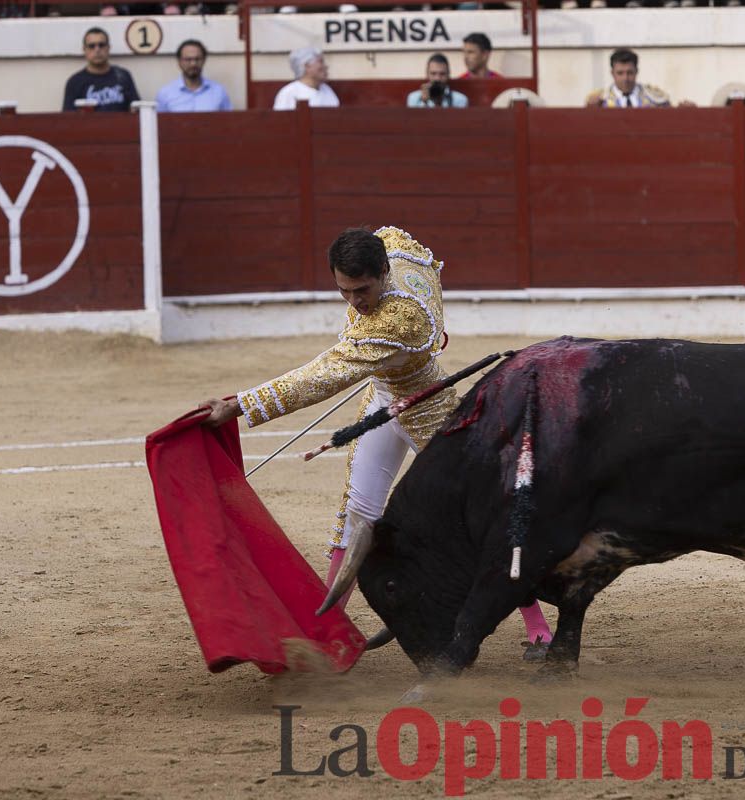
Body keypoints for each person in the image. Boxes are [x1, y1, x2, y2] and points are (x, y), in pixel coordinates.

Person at [196, 226, 554, 660]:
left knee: (479, 518)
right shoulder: (397, 250)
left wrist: (240, 405)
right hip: (383, 402)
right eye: (344, 291)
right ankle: (327, 632)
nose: (354, 302)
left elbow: (324, 373)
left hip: (430, 409)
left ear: (383, 272)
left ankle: (538, 628)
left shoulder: (397, 321)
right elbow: (397, 238)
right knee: (357, 513)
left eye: (362, 290)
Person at [62, 27, 141, 112]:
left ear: (108, 48)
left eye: (101, 45)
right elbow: (67, 119)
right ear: (84, 50)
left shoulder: (123, 76)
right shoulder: (75, 82)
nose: (97, 50)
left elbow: (137, 110)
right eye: (92, 46)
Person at [585, 49, 689, 108]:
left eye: (629, 73)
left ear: (637, 72)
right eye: (620, 73)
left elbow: (671, 119)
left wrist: (683, 111)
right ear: (612, 73)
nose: (625, 78)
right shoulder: (599, 100)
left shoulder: (655, 97)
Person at [156, 39, 232, 113]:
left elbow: (229, 122)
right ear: (179, 61)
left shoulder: (219, 92)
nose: (193, 64)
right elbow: (158, 124)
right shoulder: (165, 94)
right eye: (188, 59)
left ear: (204, 60)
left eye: (197, 59)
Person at [273, 47, 340, 110]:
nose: (325, 66)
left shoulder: (327, 90)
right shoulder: (289, 93)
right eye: (321, 62)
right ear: (306, 66)